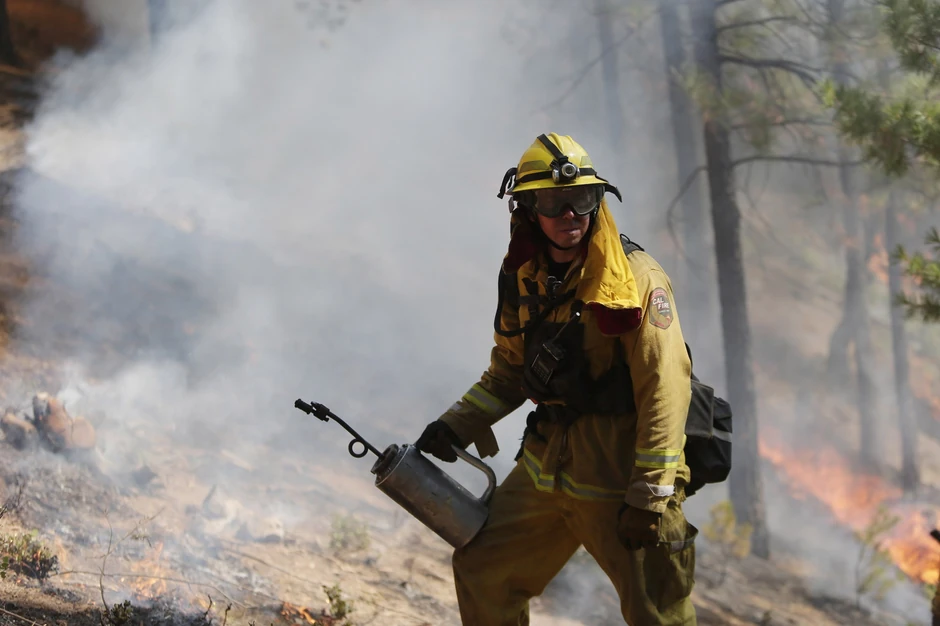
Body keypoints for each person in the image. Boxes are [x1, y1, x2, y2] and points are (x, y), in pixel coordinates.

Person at [415, 132, 698, 625]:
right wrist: (457, 424)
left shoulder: (636, 280)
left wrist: (650, 495)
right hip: (548, 469)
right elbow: (509, 370)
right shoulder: (525, 274)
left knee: (659, 614)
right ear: (527, 209)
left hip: (621, 478)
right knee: (485, 569)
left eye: (583, 199)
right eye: (553, 201)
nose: (571, 213)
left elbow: (665, 390)